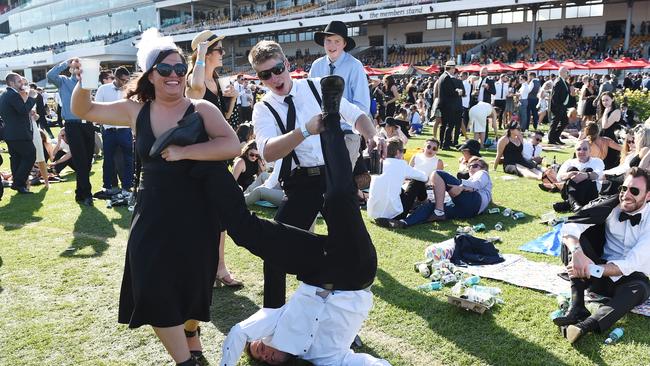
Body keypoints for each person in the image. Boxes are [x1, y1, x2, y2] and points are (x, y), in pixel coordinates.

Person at [70, 29, 243, 366]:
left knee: (194, 286)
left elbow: (232, 145)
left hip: (198, 213)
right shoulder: (135, 110)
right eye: (165, 70)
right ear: (150, 74)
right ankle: (185, 360)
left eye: (180, 69)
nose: (174, 76)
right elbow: (85, 109)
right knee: (151, 284)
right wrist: (85, 79)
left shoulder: (202, 108)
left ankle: (191, 331)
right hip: (153, 213)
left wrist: (184, 151)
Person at [220, 74, 386, 366]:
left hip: (317, 270)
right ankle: (330, 118)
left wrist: (371, 133)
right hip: (354, 271)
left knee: (252, 234)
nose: (267, 353)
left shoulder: (274, 320)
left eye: (260, 348)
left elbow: (236, 334)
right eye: (268, 360)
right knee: (338, 199)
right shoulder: (328, 359)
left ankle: (210, 178)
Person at [249, 40, 384, 309]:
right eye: (265, 75)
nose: (274, 78)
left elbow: (356, 115)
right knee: (275, 251)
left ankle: (341, 318)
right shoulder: (263, 108)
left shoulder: (316, 86)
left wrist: (373, 135)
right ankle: (273, 316)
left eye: (277, 69)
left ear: (287, 65)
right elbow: (268, 152)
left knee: (348, 250)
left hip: (334, 176)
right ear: (259, 77)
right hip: (300, 182)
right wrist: (305, 130)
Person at [554, 168, 650, 344]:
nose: (626, 195)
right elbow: (571, 226)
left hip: (628, 279)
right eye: (624, 188)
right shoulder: (611, 205)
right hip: (594, 275)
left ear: (648, 196)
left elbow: (630, 264)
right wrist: (577, 253)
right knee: (573, 240)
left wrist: (589, 268)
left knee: (640, 289)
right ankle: (577, 307)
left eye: (634, 191)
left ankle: (586, 326)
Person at [186, 30, 242, 289]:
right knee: (199, 215)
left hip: (217, 156)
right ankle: (203, 267)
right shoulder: (194, 79)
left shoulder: (218, 82)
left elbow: (224, 123)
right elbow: (195, 91)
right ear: (206, 53)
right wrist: (199, 54)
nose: (223, 53)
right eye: (218, 50)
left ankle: (219, 267)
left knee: (219, 215)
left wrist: (230, 100)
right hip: (199, 158)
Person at [309, 20, 370, 167]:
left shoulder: (355, 66)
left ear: (344, 44)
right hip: (321, 134)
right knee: (320, 181)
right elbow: (310, 99)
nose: (332, 45)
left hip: (347, 133)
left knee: (342, 181)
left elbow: (362, 105)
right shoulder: (316, 66)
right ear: (323, 42)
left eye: (337, 41)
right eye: (328, 41)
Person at [385, 156, 492, 227]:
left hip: (472, 201)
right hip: (467, 211)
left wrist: (462, 187)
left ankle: (439, 212)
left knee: (437, 173)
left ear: (484, 168)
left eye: (475, 165)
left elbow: (477, 184)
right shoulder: (473, 181)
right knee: (431, 206)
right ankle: (404, 222)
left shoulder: (483, 173)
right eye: (469, 166)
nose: (471, 168)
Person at [47, 57, 95, 206]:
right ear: (70, 69)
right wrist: (66, 62)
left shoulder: (87, 82)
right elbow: (50, 75)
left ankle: (80, 193)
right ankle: (87, 194)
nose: (77, 68)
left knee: (87, 162)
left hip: (88, 124)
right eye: (74, 66)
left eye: (79, 66)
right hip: (72, 126)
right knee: (80, 160)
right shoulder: (63, 81)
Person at [369, 137, 428, 225]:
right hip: (394, 214)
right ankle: (423, 202)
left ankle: (419, 202)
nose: (403, 154)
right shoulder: (401, 164)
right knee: (417, 181)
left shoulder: (379, 162)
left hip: (373, 212)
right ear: (397, 152)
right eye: (403, 151)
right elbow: (424, 177)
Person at [95, 66, 133, 197]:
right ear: (116, 78)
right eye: (123, 80)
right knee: (108, 160)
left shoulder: (130, 90)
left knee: (129, 159)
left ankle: (127, 186)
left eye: (127, 80)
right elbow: (97, 108)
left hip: (125, 130)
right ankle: (109, 186)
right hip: (109, 130)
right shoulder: (103, 89)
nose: (125, 83)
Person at [0, 73, 37, 194]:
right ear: (11, 83)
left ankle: (18, 185)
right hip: (18, 133)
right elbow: (22, 110)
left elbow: (18, 112)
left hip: (11, 133)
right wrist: (31, 97)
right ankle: (18, 183)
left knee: (16, 159)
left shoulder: (6, 94)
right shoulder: (12, 95)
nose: (22, 84)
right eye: (19, 81)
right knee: (30, 155)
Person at [553, 140, 604, 213]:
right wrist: (569, 174)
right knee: (571, 169)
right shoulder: (569, 162)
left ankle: (570, 203)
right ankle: (574, 204)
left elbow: (598, 175)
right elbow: (559, 177)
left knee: (587, 170)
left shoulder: (597, 161)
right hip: (569, 191)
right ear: (575, 151)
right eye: (579, 149)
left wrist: (586, 175)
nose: (582, 151)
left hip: (590, 193)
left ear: (590, 150)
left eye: (585, 149)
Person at [438, 60, 463, 149]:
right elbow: (450, 93)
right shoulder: (446, 77)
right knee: (450, 125)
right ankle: (446, 144)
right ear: (451, 68)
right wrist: (458, 92)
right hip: (448, 106)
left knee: (444, 125)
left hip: (444, 105)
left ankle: (441, 143)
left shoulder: (442, 76)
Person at [548, 67, 571, 145]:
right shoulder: (558, 81)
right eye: (566, 72)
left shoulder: (564, 81)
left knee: (565, 121)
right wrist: (557, 107)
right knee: (555, 122)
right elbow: (555, 96)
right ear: (562, 72)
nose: (567, 74)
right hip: (558, 106)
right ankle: (551, 139)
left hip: (563, 106)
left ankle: (556, 136)